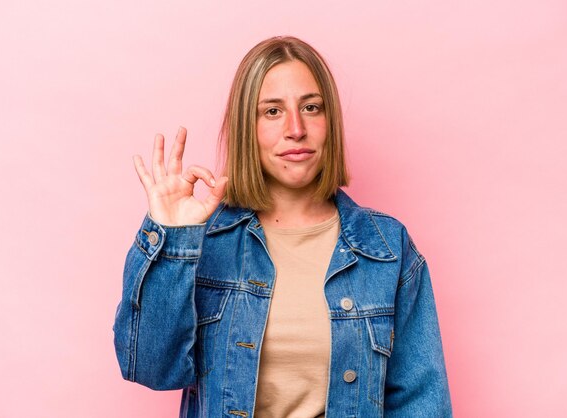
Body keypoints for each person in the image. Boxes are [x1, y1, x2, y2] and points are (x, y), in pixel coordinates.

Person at [113, 36, 452, 417]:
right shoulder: (207, 241)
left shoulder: (386, 248)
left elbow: (423, 403)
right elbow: (150, 369)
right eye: (272, 112)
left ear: (329, 122)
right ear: (248, 128)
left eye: (311, 107)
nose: (296, 128)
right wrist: (173, 240)